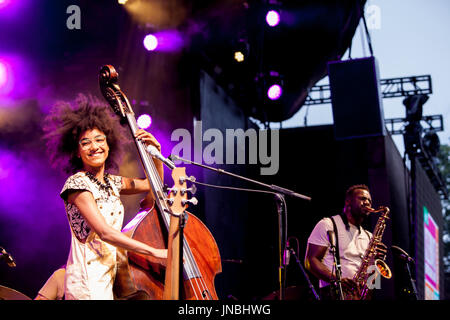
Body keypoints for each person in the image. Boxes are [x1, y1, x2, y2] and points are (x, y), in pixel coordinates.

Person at [42, 94, 167, 300]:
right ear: (77, 152)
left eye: (100, 140)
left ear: (109, 145)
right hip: (85, 283)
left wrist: (156, 155)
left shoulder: (112, 182)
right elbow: (104, 232)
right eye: (86, 142)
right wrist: (154, 252)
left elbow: (153, 186)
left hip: (106, 282)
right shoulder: (77, 183)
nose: (94, 146)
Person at [304, 184, 387, 300]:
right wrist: (337, 280)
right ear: (348, 202)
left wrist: (377, 263)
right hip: (334, 294)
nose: (367, 202)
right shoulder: (328, 224)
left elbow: (373, 281)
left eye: (369, 200)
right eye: (363, 198)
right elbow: (310, 261)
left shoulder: (369, 236)